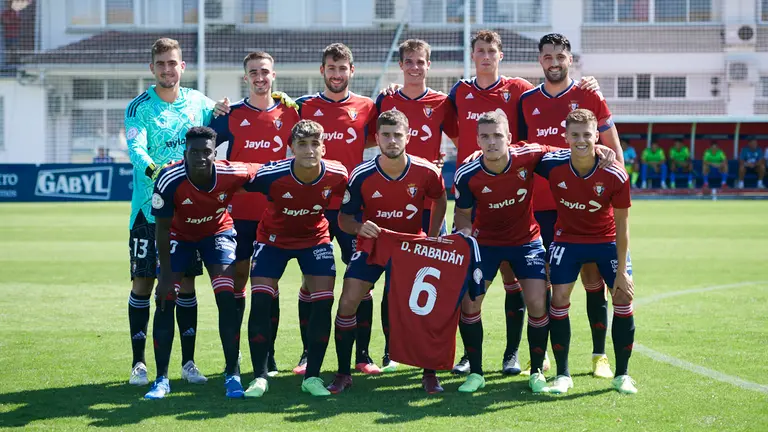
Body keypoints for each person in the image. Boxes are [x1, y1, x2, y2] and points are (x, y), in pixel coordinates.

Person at [518, 33, 622, 379]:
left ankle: (599, 356)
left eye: (560, 56)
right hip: (542, 207)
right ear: (540, 61)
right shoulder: (527, 100)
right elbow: (522, 152)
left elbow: (611, 144)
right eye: (547, 56)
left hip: (588, 206)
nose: (554, 62)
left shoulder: (588, 93)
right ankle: (546, 354)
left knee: (594, 281)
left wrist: (616, 175)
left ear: (570, 59)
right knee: (547, 284)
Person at [328, 109, 448, 394]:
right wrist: (359, 229)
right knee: (347, 302)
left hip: (411, 245)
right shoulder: (361, 174)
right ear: (377, 138)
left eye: (397, 135)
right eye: (386, 135)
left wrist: (430, 238)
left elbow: (440, 200)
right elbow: (343, 219)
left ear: (408, 136)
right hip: (374, 245)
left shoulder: (427, 171)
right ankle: (344, 373)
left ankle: (429, 373)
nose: (392, 140)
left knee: (422, 307)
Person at [125, 37, 214, 387]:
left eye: (172, 63)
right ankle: (139, 363)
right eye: (161, 64)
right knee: (143, 283)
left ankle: (189, 363)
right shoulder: (138, 107)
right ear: (152, 68)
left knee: (186, 284)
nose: (167, 69)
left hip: (188, 213)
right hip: (148, 211)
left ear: (182, 66)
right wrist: (159, 175)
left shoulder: (198, 103)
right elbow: (136, 149)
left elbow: (230, 117)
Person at [150, 126, 261, 399]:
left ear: (215, 153)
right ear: (185, 153)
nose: (200, 157)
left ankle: (232, 373)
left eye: (207, 152)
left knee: (227, 295)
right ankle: (161, 379)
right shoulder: (168, 179)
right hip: (179, 235)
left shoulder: (230, 172)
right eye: (194, 152)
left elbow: (262, 171)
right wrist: (164, 275)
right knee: (165, 298)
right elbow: (162, 229)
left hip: (217, 233)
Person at [241, 120, 348, 397]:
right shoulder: (272, 174)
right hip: (272, 240)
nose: (309, 150)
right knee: (262, 300)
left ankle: (312, 377)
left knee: (323, 304)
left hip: (314, 239)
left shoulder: (337, 174)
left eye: (315, 144)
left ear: (323, 147)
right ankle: (260, 377)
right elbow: (237, 183)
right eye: (302, 144)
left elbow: (353, 198)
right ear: (291, 148)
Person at [210, 51, 299, 377]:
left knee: (269, 286)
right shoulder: (227, 114)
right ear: (245, 77)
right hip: (238, 217)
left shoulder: (291, 113)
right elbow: (204, 154)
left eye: (265, 71)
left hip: (276, 216)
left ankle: (268, 357)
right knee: (237, 284)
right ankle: (231, 360)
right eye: (253, 72)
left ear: (273, 75)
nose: (260, 77)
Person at [535, 108, 637, 395]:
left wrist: (621, 271)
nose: (581, 140)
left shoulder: (614, 172)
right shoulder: (552, 164)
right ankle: (563, 374)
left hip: (605, 241)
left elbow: (622, 225)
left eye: (587, 135)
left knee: (623, 296)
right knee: (560, 299)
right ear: (565, 137)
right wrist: (477, 156)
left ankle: (622, 375)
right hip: (567, 240)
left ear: (596, 137)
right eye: (575, 135)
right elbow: (523, 153)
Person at [371, 38, 458, 372]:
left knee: (431, 281)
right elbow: (369, 136)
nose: (415, 67)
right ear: (401, 65)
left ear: (428, 65)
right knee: (391, 281)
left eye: (420, 62)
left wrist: (441, 160)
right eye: (409, 61)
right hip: (391, 203)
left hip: (429, 203)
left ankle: (427, 356)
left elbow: (461, 141)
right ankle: (391, 351)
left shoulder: (441, 102)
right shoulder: (387, 98)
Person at [294, 43, 380, 375]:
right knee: (310, 281)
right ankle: (306, 354)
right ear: (322, 71)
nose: (337, 74)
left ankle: (363, 355)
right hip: (312, 205)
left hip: (351, 207)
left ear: (351, 71)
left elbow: (372, 139)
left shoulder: (367, 106)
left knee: (362, 279)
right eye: (331, 68)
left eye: (342, 68)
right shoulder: (303, 106)